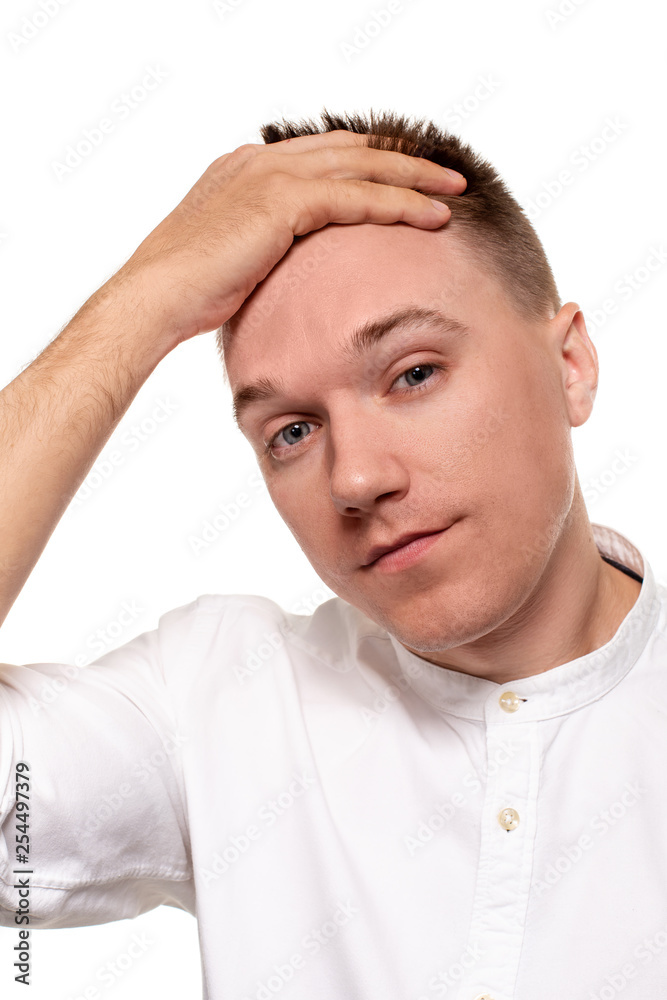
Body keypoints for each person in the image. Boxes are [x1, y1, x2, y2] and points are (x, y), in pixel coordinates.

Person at [0, 108, 664, 1000]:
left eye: (413, 373)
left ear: (571, 366)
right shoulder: (219, 699)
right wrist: (144, 299)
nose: (353, 478)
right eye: (291, 431)